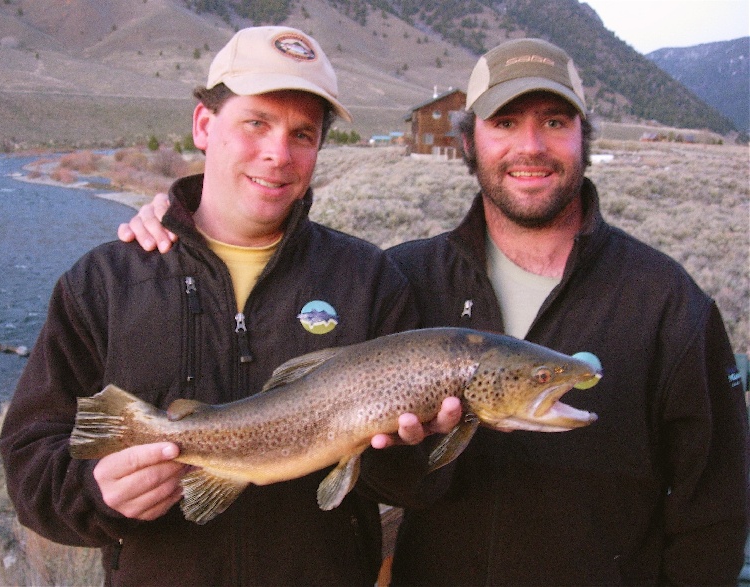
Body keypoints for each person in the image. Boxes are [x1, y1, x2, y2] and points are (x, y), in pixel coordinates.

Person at [122, 37, 749, 585]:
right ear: (470, 140)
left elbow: (715, 507)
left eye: (556, 121)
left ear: (585, 133)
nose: (530, 146)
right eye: (504, 123)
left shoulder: (666, 301)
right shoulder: (400, 277)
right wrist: (181, 216)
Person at [0, 26, 460, 586]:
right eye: (256, 122)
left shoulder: (368, 280)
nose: (277, 153)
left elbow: (415, 485)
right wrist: (95, 494)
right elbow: (29, 462)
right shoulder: (104, 283)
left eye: (303, 134)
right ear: (203, 124)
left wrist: (407, 446)